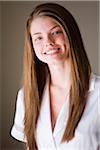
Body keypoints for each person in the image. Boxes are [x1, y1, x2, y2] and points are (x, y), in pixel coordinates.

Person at [11, 2, 100, 150]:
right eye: (38, 38)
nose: (48, 43)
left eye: (55, 32)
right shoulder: (25, 96)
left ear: (70, 34)